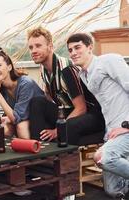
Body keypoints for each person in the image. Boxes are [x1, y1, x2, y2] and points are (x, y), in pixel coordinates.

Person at [67, 33, 129, 199]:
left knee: (103, 157)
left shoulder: (109, 61)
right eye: (70, 50)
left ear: (89, 47)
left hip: (126, 128)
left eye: (77, 47)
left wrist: (127, 125)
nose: (73, 52)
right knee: (113, 190)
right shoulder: (83, 75)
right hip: (112, 132)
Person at [27, 27, 105, 145]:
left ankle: (64, 156)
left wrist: (57, 130)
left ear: (50, 47)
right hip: (67, 111)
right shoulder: (43, 68)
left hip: (89, 115)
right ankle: (38, 148)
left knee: (69, 125)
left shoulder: (66, 69)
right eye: (31, 47)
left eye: (38, 46)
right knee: (37, 102)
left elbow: (81, 108)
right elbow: (49, 97)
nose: (33, 50)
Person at [0, 47, 44, 139]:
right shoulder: (0, 86)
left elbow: (16, 119)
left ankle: (28, 152)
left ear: (9, 67)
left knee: (21, 126)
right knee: (3, 128)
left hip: (40, 121)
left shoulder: (25, 84)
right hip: (22, 118)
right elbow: (13, 115)